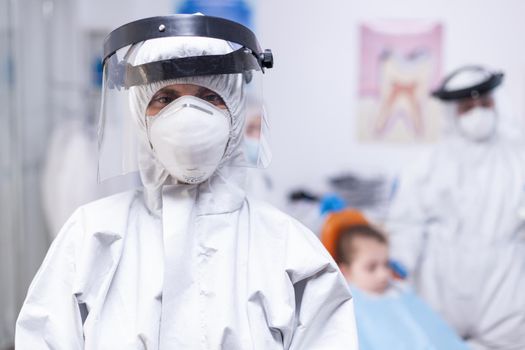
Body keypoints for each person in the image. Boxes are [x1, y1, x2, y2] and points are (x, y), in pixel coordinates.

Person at [15, 15, 358, 349]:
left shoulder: (291, 250)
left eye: (209, 97)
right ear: (139, 113)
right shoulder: (92, 235)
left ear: (236, 110)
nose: (187, 116)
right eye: (165, 99)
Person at [385, 65, 525, 349]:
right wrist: (400, 263)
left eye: (484, 103)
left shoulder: (518, 160)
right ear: (452, 112)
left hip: (506, 287)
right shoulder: (426, 165)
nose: (478, 112)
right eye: (468, 106)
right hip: (441, 287)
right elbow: (406, 224)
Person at [321, 208, 468, 350]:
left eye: (386, 264)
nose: (383, 274)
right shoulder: (349, 309)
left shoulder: (401, 291)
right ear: (345, 271)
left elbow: (437, 331)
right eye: (371, 268)